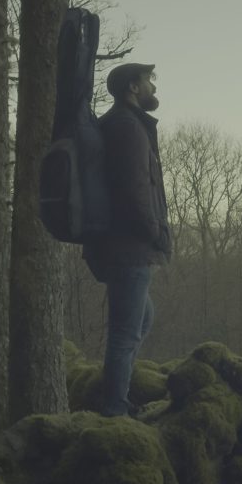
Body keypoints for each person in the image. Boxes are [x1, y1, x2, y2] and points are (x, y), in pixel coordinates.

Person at [83, 62, 171, 417]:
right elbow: (133, 189)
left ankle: (118, 398)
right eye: (149, 80)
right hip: (129, 247)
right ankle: (115, 409)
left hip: (119, 245)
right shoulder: (127, 126)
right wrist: (153, 233)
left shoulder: (122, 124)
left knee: (142, 319)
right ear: (133, 88)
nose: (153, 86)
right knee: (124, 334)